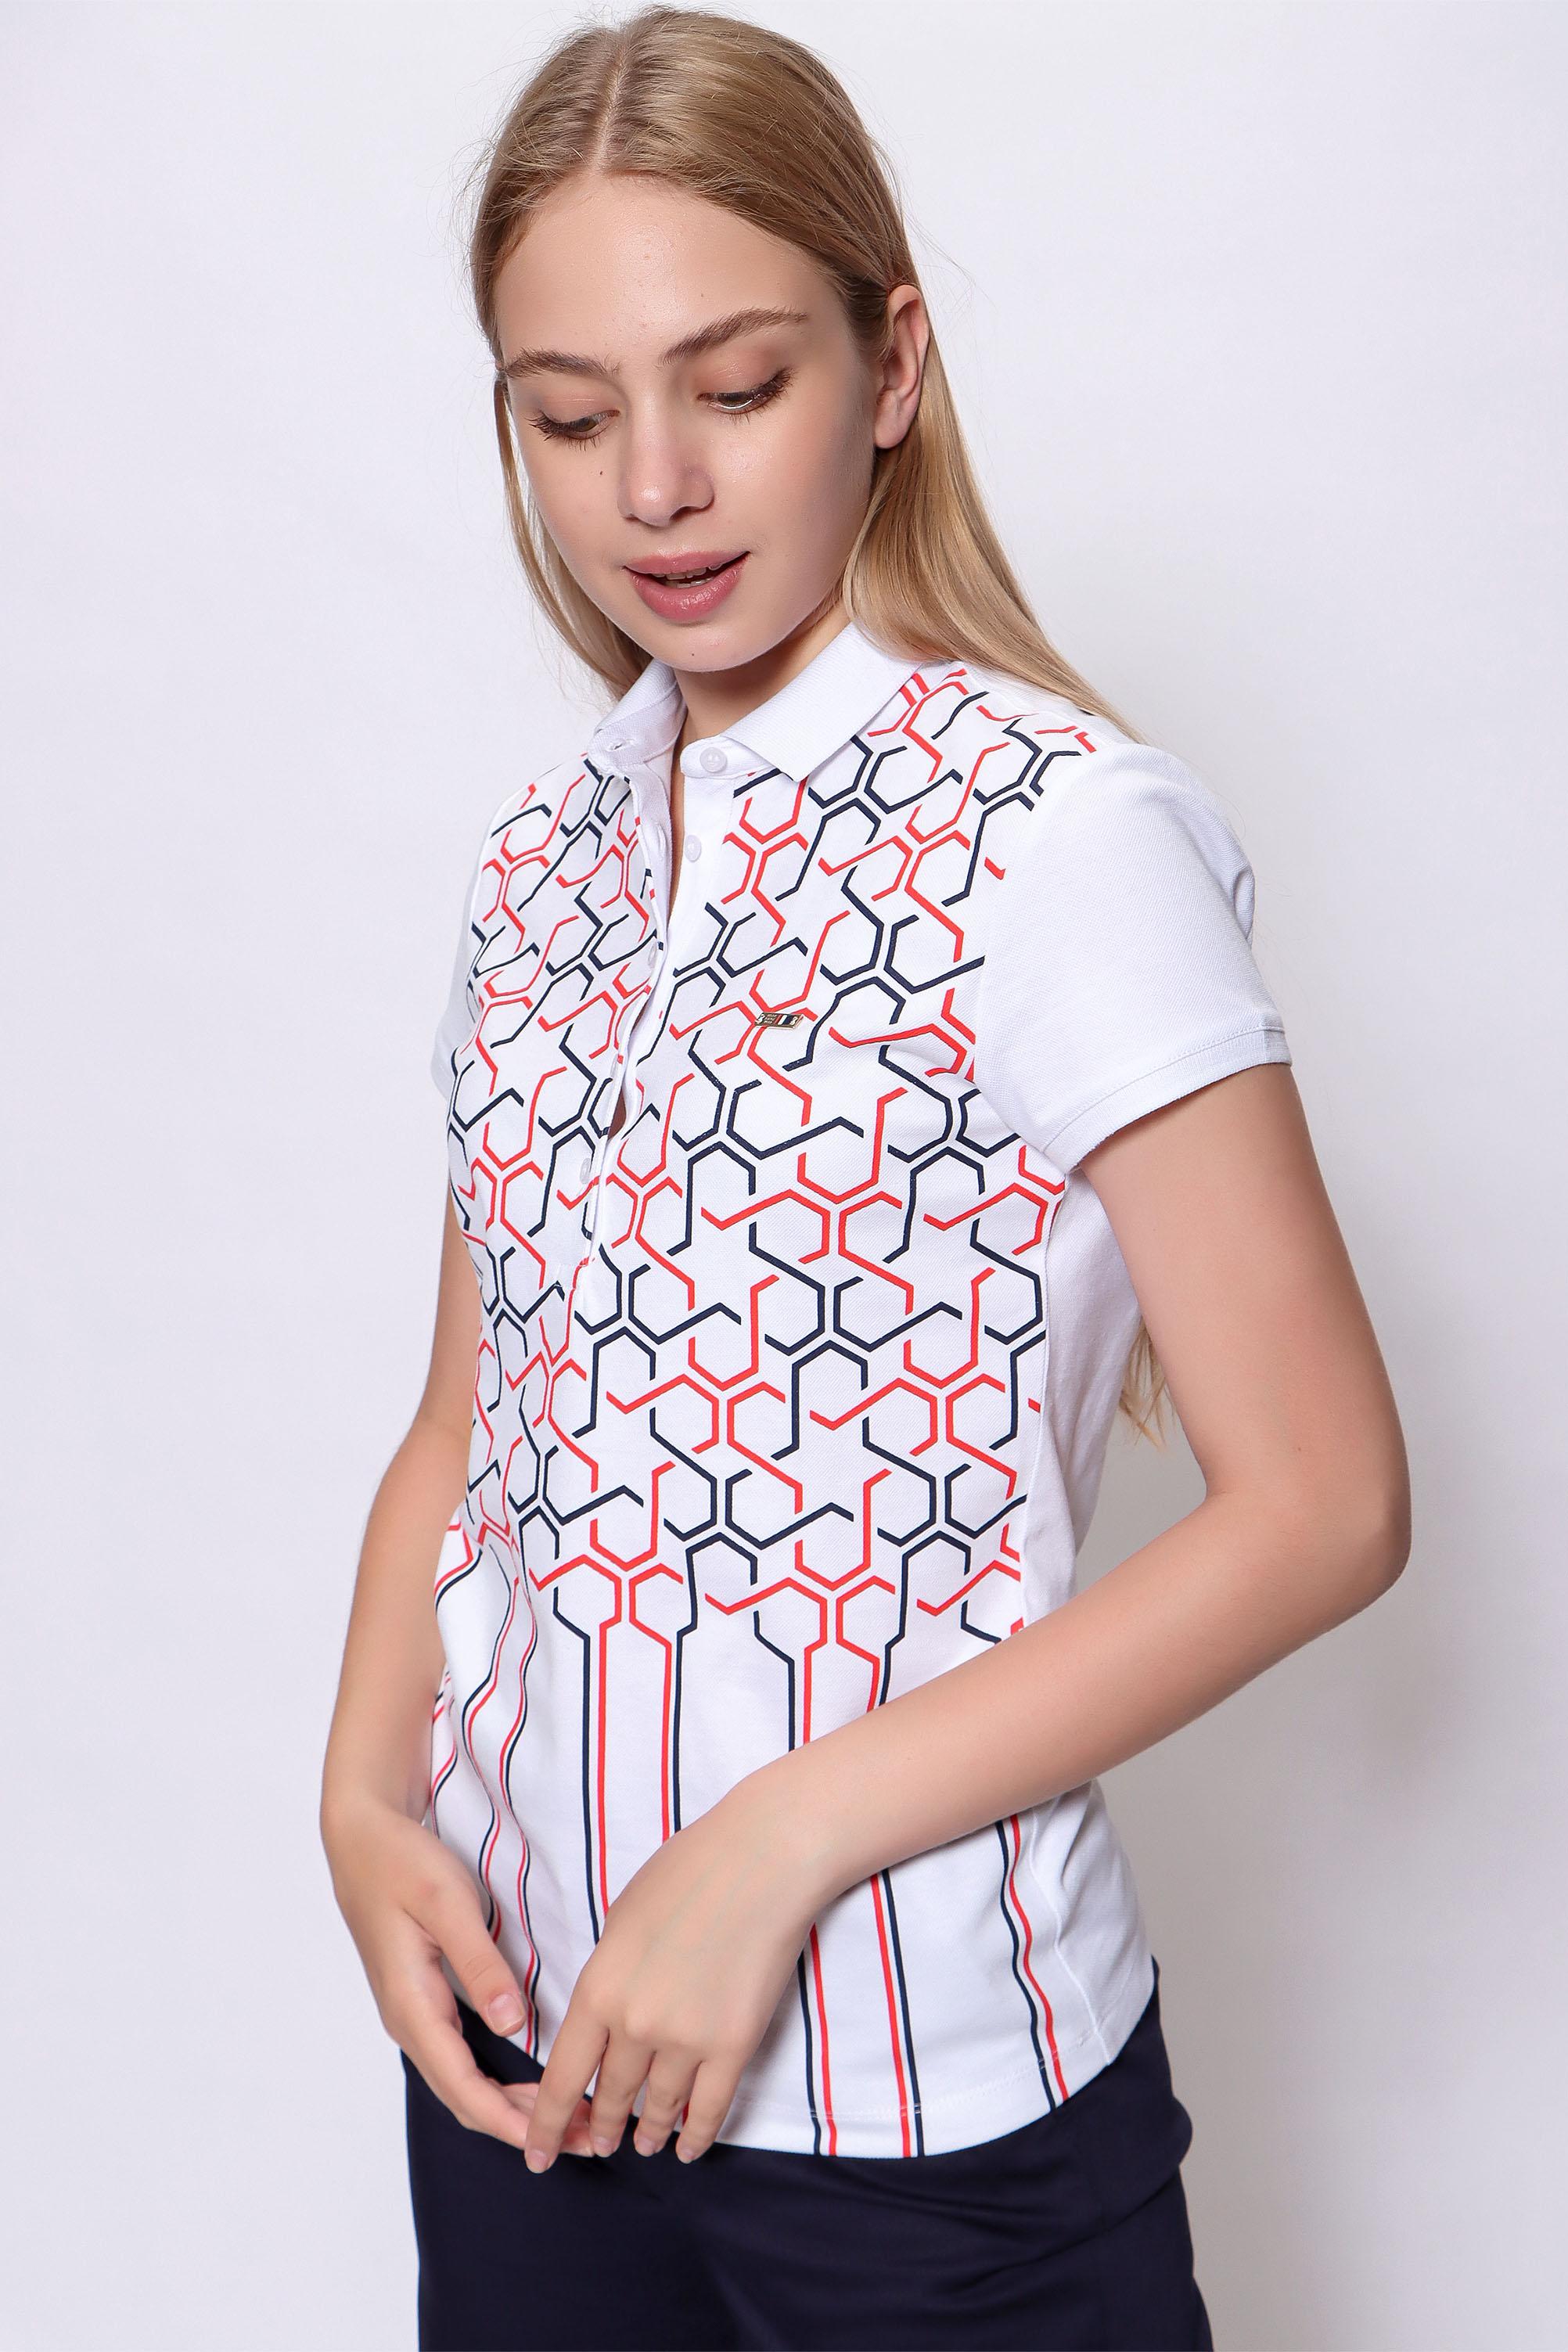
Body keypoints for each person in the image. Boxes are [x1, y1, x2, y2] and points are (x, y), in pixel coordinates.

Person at [319, 11, 1410, 2347]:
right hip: (522, 2072)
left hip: (932, 2124)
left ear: (889, 364)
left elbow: (1323, 1501)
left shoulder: (1058, 839)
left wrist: (777, 1843)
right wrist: (358, 1795)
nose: (656, 486)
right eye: (569, 415)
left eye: (735, 384)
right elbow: (468, 1427)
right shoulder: (540, 868)